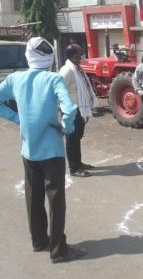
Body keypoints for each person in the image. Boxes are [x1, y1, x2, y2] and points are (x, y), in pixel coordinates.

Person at [0, 37, 85, 263]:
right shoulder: (53, 79)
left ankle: (38, 241)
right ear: (49, 57)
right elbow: (70, 109)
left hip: (28, 150)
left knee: (33, 198)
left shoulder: (15, 79)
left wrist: (17, 118)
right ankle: (59, 250)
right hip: (52, 152)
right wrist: (66, 128)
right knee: (56, 202)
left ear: (29, 55)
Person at [59, 44, 97, 177]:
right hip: (72, 111)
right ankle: (74, 168)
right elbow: (58, 90)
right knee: (72, 139)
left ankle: (78, 163)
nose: (81, 57)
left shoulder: (77, 68)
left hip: (80, 109)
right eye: (78, 55)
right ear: (71, 56)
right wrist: (64, 109)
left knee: (77, 137)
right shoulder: (67, 70)